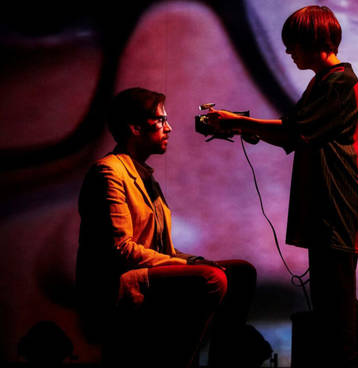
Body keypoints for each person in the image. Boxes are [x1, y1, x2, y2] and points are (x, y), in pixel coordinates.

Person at [207, 5, 358, 367]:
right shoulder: (324, 82)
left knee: (336, 301)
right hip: (328, 202)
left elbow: (294, 131)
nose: (289, 52)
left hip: (337, 202)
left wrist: (239, 123)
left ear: (313, 40)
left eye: (292, 44)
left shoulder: (339, 82)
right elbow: (295, 130)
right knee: (337, 297)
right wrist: (241, 127)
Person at [76, 87, 269, 367]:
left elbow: (160, 248)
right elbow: (121, 249)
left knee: (240, 273)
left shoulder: (144, 176)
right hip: (120, 283)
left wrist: (191, 260)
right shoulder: (109, 172)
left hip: (148, 271)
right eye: (161, 120)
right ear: (136, 127)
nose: (170, 127)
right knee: (211, 279)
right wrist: (191, 266)